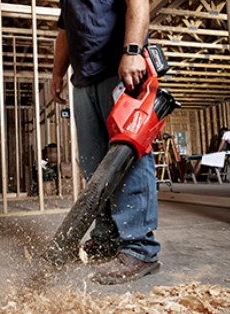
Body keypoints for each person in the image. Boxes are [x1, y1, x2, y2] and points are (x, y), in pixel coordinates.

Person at [50, 0, 160, 285]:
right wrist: (57, 73)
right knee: (93, 164)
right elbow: (65, 31)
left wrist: (133, 51)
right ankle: (106, 238)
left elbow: (138, 3)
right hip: (84, 79)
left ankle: (139, 249)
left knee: (128, 159)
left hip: (119, 68)